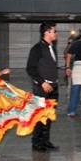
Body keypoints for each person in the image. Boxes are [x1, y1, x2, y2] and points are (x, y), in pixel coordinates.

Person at [26, 22, 60, 152]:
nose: (56, 33)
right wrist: (42, 82)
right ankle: (37, 142)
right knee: (39, 115)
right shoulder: (37, 48)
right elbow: (30, 68)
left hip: (53, 86)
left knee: (49, 115)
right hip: (42, 87)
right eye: (54, 31)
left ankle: (45, 141)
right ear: (46, 32)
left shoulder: (52, 48)